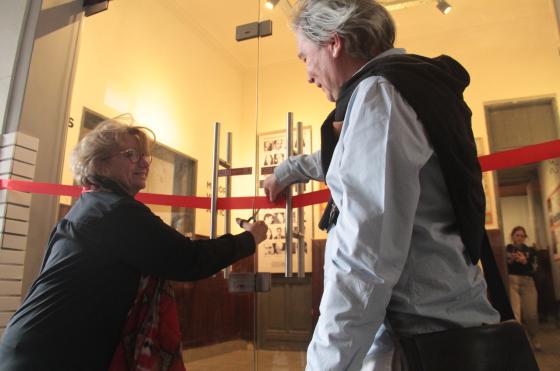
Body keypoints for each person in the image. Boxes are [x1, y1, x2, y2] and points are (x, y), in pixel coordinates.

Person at [263, 0, 501, 369]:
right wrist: (286, 171)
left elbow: (363, 262)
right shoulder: (409, 86)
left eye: (305, 57)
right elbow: (342, 157)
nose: (308, 74)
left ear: (333, 43)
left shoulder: (380, 97)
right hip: (442, 326)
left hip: (422, 341)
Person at [0, 117, 268, 371]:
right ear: (100, 164)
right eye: (131, 155)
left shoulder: (91, 206)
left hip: (38, 346)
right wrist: (250, 238)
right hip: (50, 354)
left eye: (145, 156)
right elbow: (188, 259)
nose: (144, 163)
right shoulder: (116, 211)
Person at [506, 226, 541, 350]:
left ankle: (534, 337)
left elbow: (535, 268)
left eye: (522, 236)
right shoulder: (507, 249)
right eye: (517, 235)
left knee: (531, 314)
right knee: (515, 315)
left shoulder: (531, 250)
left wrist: (525, 261)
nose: (520, 238)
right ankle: (519, 342)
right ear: (512, 236)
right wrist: (510, 260)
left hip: (528, 282)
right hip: (512, 281)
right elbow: (503, 266)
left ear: (525, 237)